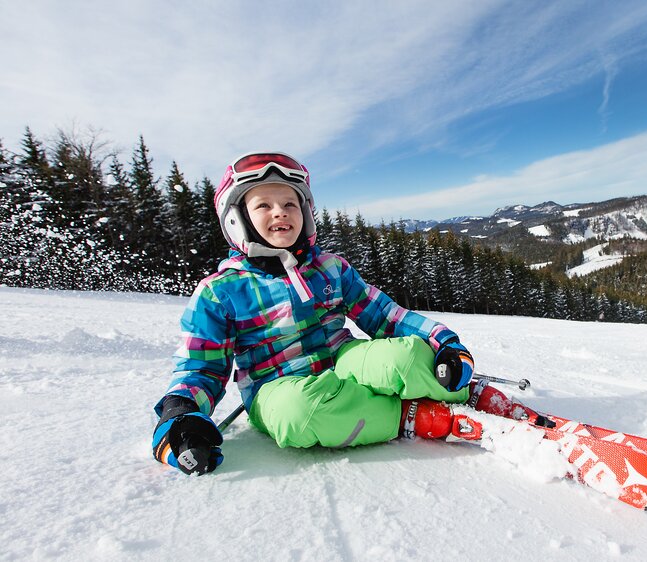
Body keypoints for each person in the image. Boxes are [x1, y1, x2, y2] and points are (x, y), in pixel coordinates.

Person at [152, 152, 479, 475]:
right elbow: (201, 367)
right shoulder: (220, 291)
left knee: (402, 358)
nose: (280, 211)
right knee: (298, 414)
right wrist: (180, 414)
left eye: (290, 203)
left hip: (343, 357)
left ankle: (459, 388)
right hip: (277, 383)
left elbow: (383, 315)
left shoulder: (330, 268)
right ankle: (406, 413)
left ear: (305, 214)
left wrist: (442, 341)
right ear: (238, 220)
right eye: (264, 205)